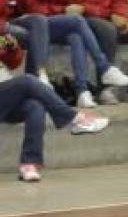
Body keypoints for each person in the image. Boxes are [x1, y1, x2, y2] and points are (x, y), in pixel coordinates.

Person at [0, 25, 110, 182]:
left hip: (5, 96)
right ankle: (75, 118)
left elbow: (13, 63)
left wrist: (11, 48)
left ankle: (29, 163)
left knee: (35, 106)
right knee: (28, 81)